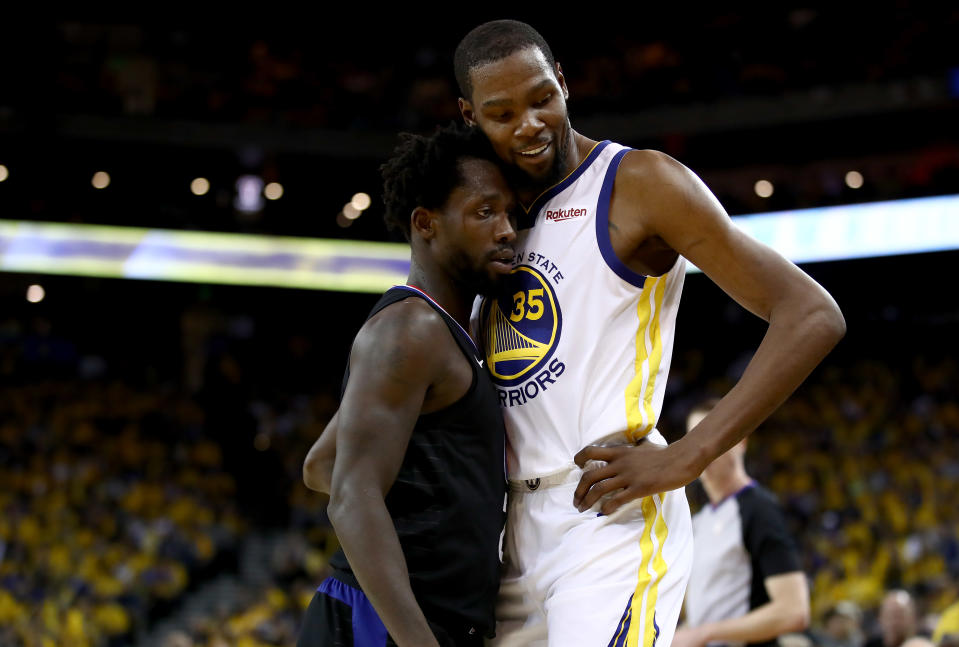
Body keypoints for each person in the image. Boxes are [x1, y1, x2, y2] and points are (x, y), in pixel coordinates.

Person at [453, 19, 846, 647]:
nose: (528, 124)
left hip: (608, 520)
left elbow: (812, 314)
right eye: (502, 113)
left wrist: (688, 457)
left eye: (540, 99)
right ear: (470, 117)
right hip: (506, 529)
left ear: (563, 83)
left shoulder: (638, 184)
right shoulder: (488, 216)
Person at [298, 123, 517, 647]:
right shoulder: (411, 328)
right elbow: (349, 495)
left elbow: (322, 465)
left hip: (418, 623)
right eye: (485, 212)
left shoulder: (444, 330)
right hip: (387, 626)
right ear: (426, 223)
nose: (507, 229)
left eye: (510, 212)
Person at [672, 398, 810, 647]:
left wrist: (704, 633)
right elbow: (707, 616)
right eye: (694, 440)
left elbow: (794, 611)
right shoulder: (700, 520)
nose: (702, 449)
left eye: (713, 436)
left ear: (741, 441)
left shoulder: (759, 509)